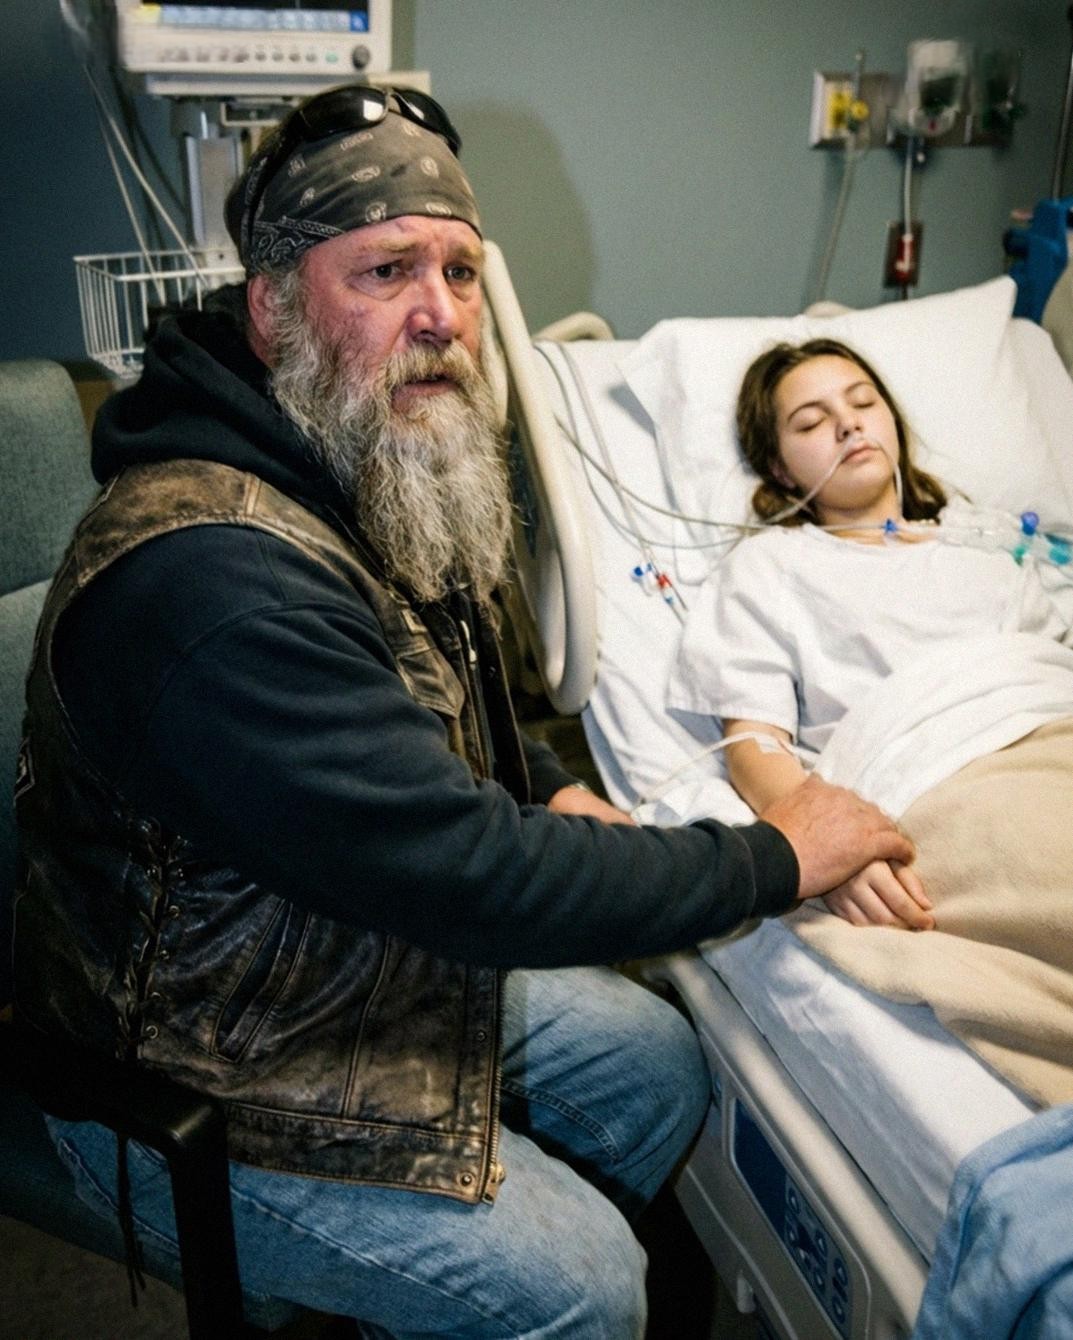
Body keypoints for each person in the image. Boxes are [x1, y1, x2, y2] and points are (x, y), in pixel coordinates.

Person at [12, 90, 910, 1338]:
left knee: (657, 1065)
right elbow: (468, 872)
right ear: (270, 307)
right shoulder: (215, 579)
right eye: (385, 271)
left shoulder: (351, 446)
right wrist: (775, 856)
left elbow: (432, 699)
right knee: (585, 1282)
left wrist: (548, 782)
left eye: (460, 271)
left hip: (328, 944)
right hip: (194, 1064)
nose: (439, 313)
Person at [669, 336, 1071, 932]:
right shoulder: (772, 565)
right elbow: (755, 744)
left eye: (863, 403)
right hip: (941, 783)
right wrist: (826, 842)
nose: (849, 425)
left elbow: (1050, 671)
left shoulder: (984, 541)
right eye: (812, 422)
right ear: (779, 468)